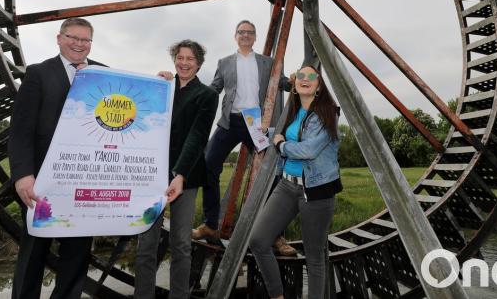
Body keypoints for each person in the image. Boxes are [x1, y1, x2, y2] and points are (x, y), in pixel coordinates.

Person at [7, 17, 105, 299]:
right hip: (42, 179)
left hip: (84, 178)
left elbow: (133, 95)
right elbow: (20, 129)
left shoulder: (105, 73)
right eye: (73, 37)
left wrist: (162, 82)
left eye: (85, 40)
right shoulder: (38, 73)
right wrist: (23, 175)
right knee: (35, 249)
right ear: (59, 38)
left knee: (77, 251)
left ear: (90, 43)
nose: (79, 44)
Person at [190, 20, 295, 256]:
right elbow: (214, 88)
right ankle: (210, 224)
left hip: (255, 123)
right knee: (208, 166)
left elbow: (284, 82)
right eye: (241, 32)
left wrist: (297, 81)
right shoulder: (224, 62)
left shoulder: (267, 62)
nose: (245, 35)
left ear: (255, 37)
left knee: (271, 175)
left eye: (249, 32)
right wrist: (188, 86)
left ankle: (276, 235)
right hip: (230, 121)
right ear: (235, 36)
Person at [248, 65, 342, 299]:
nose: (306, 79)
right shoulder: (294, 110)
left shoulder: (328, 113)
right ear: (295, 84)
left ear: (318, 86)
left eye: (312, 77)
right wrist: (268, 132)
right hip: (287, 185)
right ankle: (277, 296)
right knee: (258, 241)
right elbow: (289, 134)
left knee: (314, 257)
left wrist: (279, 144)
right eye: (301, 76)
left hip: (316, 191)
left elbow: (308, 149)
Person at [135, 40, 219, 299]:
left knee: (181, 244)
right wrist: (155, 85)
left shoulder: (207, 95)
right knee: (146, 243)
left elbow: (197, 136)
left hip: (187, 177)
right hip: (153, 175)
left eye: (189, 59)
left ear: (199, 63)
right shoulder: (164, 90)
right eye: (179, 58)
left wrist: (179, 173)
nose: (183, 63)